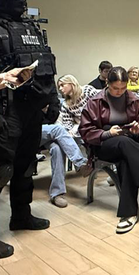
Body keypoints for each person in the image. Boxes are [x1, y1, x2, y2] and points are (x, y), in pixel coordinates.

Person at [0, 0, 59, 259]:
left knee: (25, 167)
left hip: (33, 110)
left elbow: (48, 66)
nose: (20, 0)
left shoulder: (34, 28)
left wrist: (53, 100)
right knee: (2, 169)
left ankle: (21, 216)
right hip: (6, 110)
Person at [79, 67, 139, 234]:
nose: (119, 92)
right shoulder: (95, 102)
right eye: (115, 88)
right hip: (104, 145)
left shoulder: (133, 99)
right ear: (107, 83)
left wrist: (138, 129)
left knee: (126, 160)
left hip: (130, 145)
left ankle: (129, 214)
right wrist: (107, 133)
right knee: (123, 142)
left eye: (123, 88)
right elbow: (85, 131)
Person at [39, 75, 98, 208]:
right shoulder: (65, 104)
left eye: (62, 85)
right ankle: (81, 164)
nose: (60, 89)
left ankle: (57, 193)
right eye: (58, 86)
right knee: (59, 130)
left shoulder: (86, 91)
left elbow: (59, 119)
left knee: (57, 148)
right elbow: (63, 124)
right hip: (36, 131)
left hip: (56, 132)